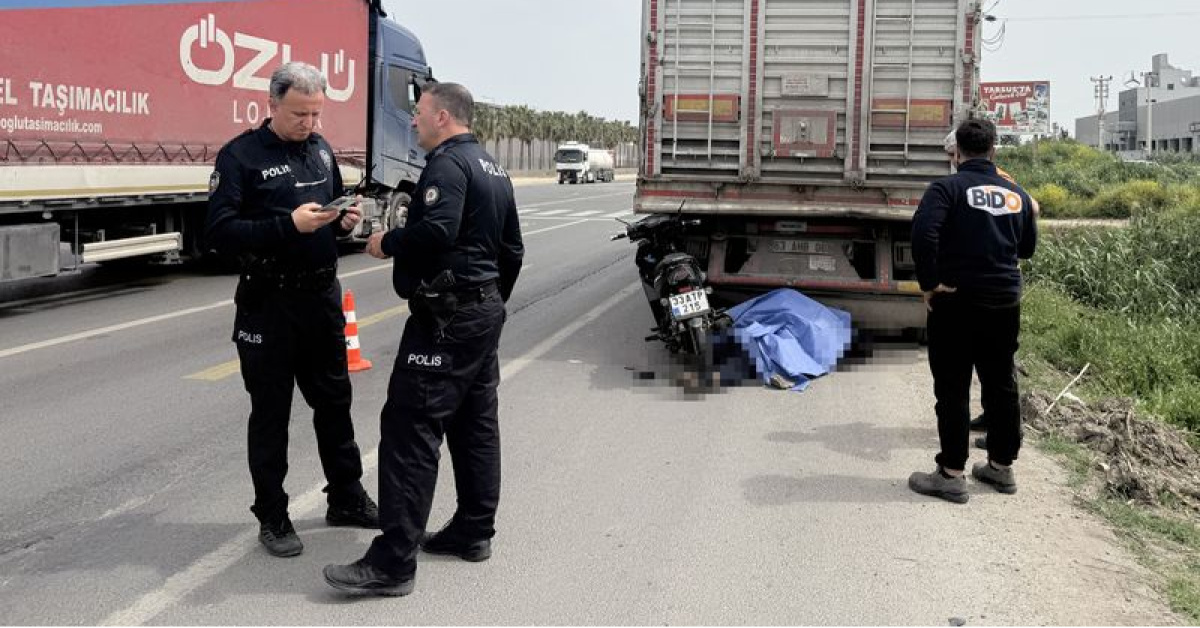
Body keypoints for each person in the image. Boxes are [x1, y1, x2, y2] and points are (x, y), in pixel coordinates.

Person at [323, 82, 524, 596]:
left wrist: (385, 241)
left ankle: (393, 562)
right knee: (475, 423)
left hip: (447, 319)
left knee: (410, 429)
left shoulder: (447, 165)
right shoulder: (492, 168)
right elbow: (513, 251)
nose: (413, 122)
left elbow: (436, 228)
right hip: (480, 313)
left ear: (442, 117)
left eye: (419, 113)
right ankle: (473, 532)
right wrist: (488, 305)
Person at [206, 61, 379, 557]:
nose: (310, 123)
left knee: (335, 404)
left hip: (321, 299)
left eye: (317, 113)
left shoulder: (321, 152)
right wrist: (288, 226)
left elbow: (327, 215)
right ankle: (273, 514)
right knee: (271, 414)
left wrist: (342, 223)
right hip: (269, 304)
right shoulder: (240, 156)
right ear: (272, 105)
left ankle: (345, 496)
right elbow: (218, 233)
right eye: (300, 113)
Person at [908, 119, 1038, 504]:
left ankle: (951, 473)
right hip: (1004, 300)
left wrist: (930, 282)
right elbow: (1027, 247)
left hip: (956, 300)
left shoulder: (946, 189)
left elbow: (922, 233)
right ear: (994, 150)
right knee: (1001, 382)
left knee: (952, 384)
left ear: (958, 152)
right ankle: (1000, 467)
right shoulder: (1016, 193)